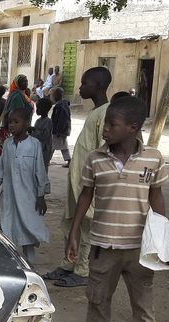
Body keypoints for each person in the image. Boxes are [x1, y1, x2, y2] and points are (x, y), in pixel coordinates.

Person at [65, 95, 169, 322]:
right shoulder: (95, 159)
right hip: (103, 244)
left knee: (144, 302)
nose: (105, 130)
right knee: (98, 297)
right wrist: (75, 231)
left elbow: (157, 196)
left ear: (133, 127)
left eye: (112, 124)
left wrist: (162, 238)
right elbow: (85, 195)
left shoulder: (153, 158)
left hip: (140, 248)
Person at [45, 66, 111, 287]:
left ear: (98, 86)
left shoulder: (107, 114)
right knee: (71, 222)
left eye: (85, 84)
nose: (80, 88)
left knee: (86, 226)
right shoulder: (95, 112)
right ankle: (68, 263)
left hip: (91, 183)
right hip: (78, 181)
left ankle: (83, 269)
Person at [0, 107, 49, 264]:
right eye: (9, 122)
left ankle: (30, 267)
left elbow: (40, 171)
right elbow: (0, 167)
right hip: (9, 198)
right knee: (6, 232)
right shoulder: (7, 145)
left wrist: (41, 196)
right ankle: (9, 265)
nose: (11, 125)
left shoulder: (34, 145)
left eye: (16, 122)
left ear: (27, 123)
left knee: (27, 234)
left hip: (28, 198)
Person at [0, 74, 33, 173]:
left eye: (26, 81)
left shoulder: (21, 95)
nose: (25, 83)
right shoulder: (17, 96)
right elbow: (17, 114)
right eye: (23, 81)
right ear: (17, 83)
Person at [51, 88, 72, 168]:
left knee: (53, 145)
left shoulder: (61, 106)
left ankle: (47, 159)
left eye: (53, 95)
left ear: (57, 96)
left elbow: (62, 120)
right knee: (62, 146)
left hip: (59, 130)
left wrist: (59, 130)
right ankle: (68, 160)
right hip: (62, 130)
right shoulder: (62, 105)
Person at [32, 97, 54, 170]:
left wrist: (34, 130)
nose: (37, 110)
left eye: (39, 108)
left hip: (44, 148)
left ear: (44, 109)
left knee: (42, 167)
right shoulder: (38, 121)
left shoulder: (48, 121)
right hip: (37, 147)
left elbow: (45, 135)